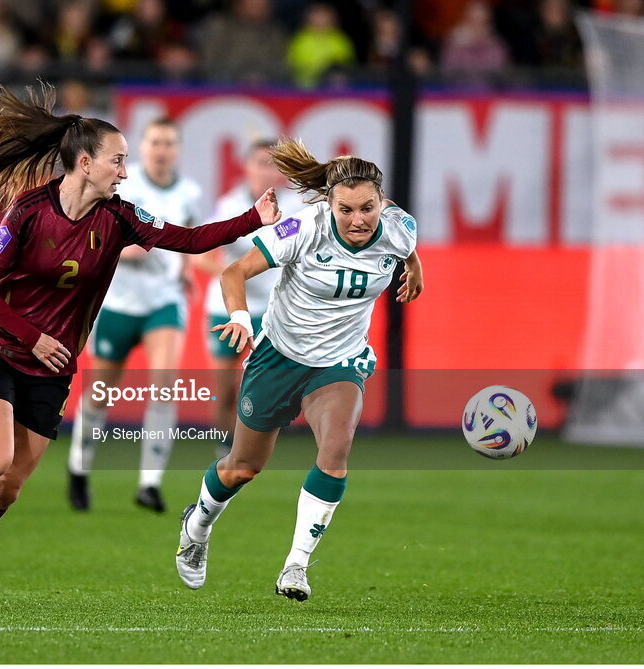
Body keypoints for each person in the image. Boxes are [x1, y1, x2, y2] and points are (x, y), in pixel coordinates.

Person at [0, 84, 281, 609]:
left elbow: (187, 239)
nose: (124, 170)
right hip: (0, 347)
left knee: (6, 489)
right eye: (118, 160)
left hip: (53, 369)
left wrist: (254, 218)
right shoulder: (27, 211)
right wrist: (33, 336)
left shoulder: (119, 218)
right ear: (86, 162)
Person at [175, 139, 423, 602]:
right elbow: (233, 273)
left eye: (368, 208)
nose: (358, 220)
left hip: (339, 361)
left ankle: (296, 566)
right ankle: (197, 525)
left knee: (336, 450)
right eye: (346, 209)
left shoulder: (399, 227)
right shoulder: (301, 229)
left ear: (382, 203)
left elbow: (406, 248)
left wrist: (416, 270)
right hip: (278, 356)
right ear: (329, 203)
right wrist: (238, 318)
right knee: (243, 468)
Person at [66, 117, 202, 514]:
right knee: (99, 394)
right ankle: (78, 468)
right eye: (156, 142)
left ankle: (150, 482)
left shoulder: (189, 192)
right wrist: (125, 251)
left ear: (177, 150)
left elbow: (189, 235)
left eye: (169, 143)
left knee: (164, 383)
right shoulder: (125, 185)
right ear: (143, 148)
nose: (162, 149)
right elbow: (96, 238)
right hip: (117, 302)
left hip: (163, 301)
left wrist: (187, 273)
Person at [192, 139, 299, 458]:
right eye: (260, 163)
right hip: (226, 308)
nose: (267, 172)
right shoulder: (229, 206)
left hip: (271, 311)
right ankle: (223, 453)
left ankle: (252, 448)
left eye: (273, 164)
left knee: (265, 389)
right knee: (224, 391)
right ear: (247, 167)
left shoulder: (296, 208)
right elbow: (202, 258)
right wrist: (238, 272)